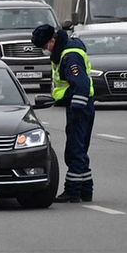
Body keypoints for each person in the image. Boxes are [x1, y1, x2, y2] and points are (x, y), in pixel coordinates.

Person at [32, 23, 95, 203]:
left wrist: (76, 106)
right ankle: (86, 190)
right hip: (79, 105)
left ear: (53, 40)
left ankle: (73, 191)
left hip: (80, 107)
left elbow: (81, 83)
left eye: (45, 46)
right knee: (80, 149)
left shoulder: (70, 56)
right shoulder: (66, 51)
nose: (45, 50)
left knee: (74, 150)